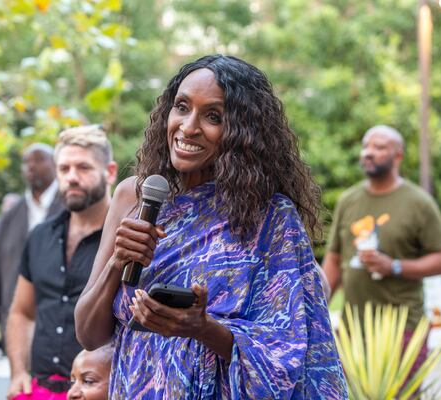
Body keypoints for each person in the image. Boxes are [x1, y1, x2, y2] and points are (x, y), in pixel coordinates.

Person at [75, 55, 347, 399]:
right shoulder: (133, 196)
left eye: (213, 116)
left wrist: (203, 329)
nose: (188, 127)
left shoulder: (270, 217)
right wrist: (119, 259)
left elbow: (285, 353)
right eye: (182, 107)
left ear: (241, 133)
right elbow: (88, 334)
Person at [322, 125, 441, 377]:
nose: (368, 152)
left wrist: (393, 266)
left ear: (398, 156)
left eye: (379, 147)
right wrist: (318, 308)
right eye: (366, 146)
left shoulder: (418, 202)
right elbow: (334, 260)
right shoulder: (348, 200)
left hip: (403, 329)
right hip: (353, 330)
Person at [6, 126, 117, 400]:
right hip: (38, 388)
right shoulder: (40, 236)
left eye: (83, 168)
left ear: (110, 172)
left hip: (102, 391)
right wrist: (18, 372)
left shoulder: (127, 238)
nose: (72, 177)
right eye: (64, 169)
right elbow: (22, 312)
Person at [0, 143, 64, 350]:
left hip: (60, 315)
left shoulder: (70, 206)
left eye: (38, 159)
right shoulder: (10, 216)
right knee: (19, 377)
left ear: (54, 164)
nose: (31, 166)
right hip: (15, 312)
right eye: (26, 161)